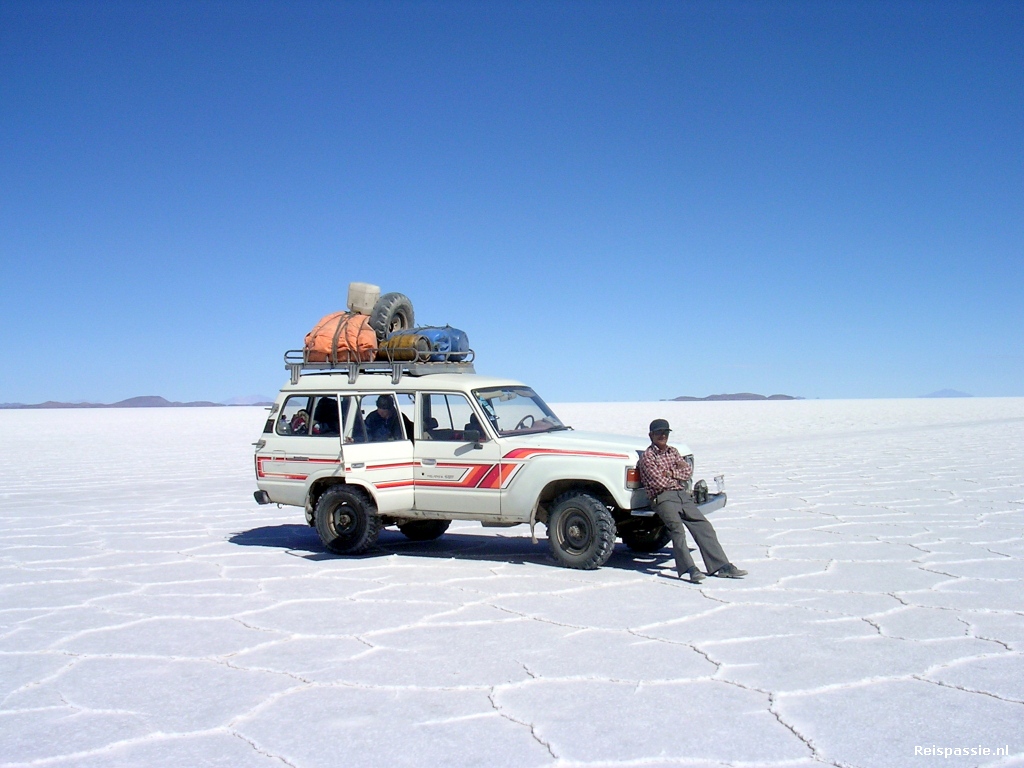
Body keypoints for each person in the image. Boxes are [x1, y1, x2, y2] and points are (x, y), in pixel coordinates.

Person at [637, 418, 747, 583]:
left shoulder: (672, 451)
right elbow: (657, 481)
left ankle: (722, 566)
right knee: (677, 530)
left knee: (704, 526)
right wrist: (674, 475)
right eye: (659, 432)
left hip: (681, 495)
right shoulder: (648, 456)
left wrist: (671, 474)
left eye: (665, 432)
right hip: (662, 497)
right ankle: (689, 569)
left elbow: (687, 472)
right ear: (651, 435)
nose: (663, 435)